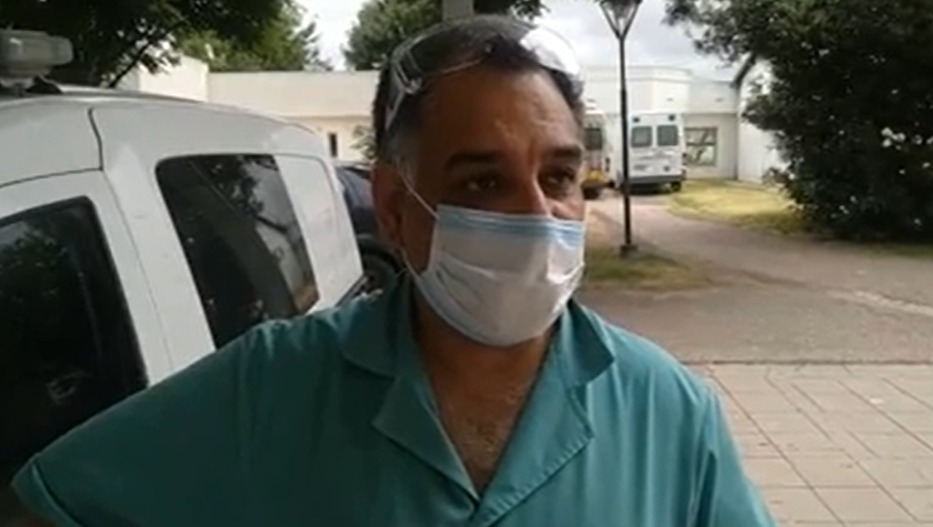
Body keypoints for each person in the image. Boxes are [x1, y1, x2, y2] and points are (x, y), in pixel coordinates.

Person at [13, 15, 776, 527]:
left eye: (557, 176)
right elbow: (49, 505)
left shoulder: (668, 412)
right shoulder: (272, 388)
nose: (534, 213)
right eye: (482, 181)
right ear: (394, 205)